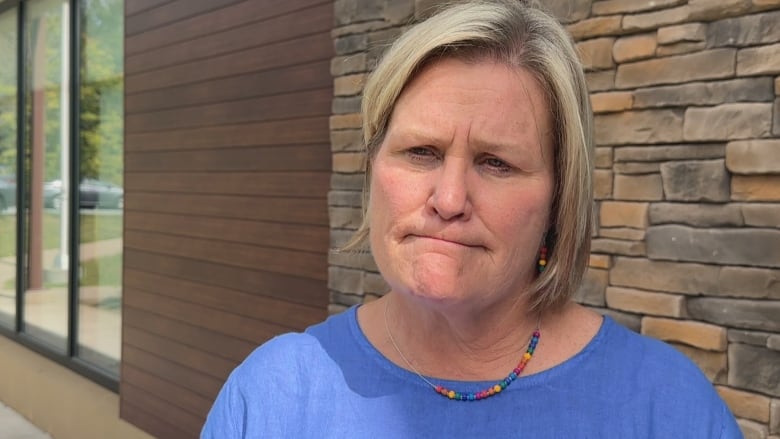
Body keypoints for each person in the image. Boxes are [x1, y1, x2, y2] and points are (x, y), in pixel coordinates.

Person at [202, 1, 742, 437]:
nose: (450, 198)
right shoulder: (275, 395)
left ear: (560, 200)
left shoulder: (665, 408)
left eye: (496, 163)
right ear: (372, 167)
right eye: (421, 152)